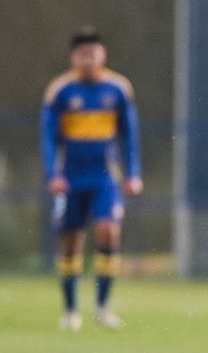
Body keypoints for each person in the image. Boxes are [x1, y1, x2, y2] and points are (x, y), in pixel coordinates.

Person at [40, 28, 142, 332]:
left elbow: (130, 134)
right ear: (73, 57)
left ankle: (102, 306)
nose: (88, 59)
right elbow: (47, 137)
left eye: (93, 53)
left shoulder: (119, 89)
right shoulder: (60, 91)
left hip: (105, 177)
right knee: (70, 242)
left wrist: (133, 172)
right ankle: (71, 310)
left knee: (109, 231)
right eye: (82, 54)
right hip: (70, 178)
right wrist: (52, 174)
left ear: (103, 55)